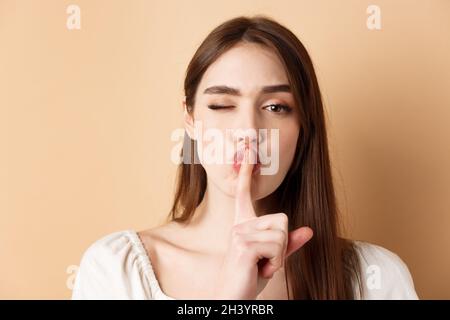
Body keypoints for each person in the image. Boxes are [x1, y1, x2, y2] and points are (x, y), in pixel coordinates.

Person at [72, 15, 418, 300]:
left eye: (275, 107)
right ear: (190, 120)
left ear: (304, 127)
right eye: (222, 105)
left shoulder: (377, 278)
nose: (249, 131)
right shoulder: (115, 269)